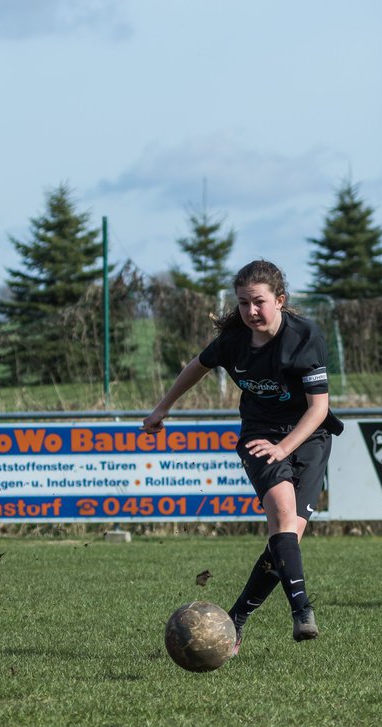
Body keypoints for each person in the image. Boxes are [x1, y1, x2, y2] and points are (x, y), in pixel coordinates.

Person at [143, 259, 343, 652]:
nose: (250, 312)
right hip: (259, 436)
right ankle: (302, 610)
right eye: (243, 303)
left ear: (280, 300)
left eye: (259, 302)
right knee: (283, 516)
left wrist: (285, 447)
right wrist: (162, 408)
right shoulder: (234, 340)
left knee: (285, 542)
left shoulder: (304, 336)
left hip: (309, 437)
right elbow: (197, 367)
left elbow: (318, 408)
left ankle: (235, 621)